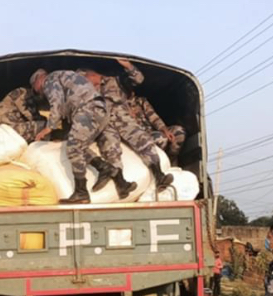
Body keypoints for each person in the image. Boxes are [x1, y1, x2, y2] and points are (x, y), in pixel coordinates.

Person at [30, 69, 136, 204]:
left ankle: (81, 193)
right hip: (99, 110)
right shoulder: (64, 77)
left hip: (87, 109)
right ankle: (115, 176)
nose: (38, 92)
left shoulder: (49, 80)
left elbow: (55, 103)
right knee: (79, 146)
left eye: (35, 89)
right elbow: (65, 107)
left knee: (73, 148)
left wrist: (48, 128)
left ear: (38, 80)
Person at [80, 60, 173, 193]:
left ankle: (159, 176)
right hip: (103, 122)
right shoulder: (85, 91)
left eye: (84, 78)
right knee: (110, 149)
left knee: (143, 141)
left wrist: (128, 66)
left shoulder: (114, 80)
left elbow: (139, 79)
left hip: (121, 117)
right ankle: (121, 184)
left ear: (92, 74)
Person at [127, 95, 186, 163]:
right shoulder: (117, 106)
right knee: (161, 138)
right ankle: (158, 164)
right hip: (138, 137)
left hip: (152, 131)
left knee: (179, 132)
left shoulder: (140, 101)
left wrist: (165, 130)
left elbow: (154, 118)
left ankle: (171, 159)